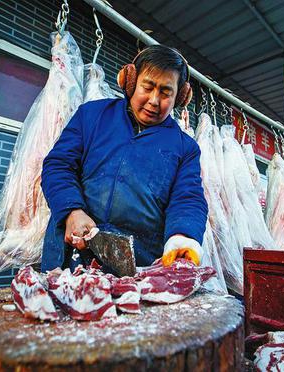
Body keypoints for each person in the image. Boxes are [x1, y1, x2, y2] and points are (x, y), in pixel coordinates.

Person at [40, 45, 208, 273]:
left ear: (180, 97)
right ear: (130, 81)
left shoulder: (186, 148)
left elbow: (187, 198)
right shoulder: (91, 115)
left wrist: (182, 237)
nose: (154, 101)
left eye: (166, 93)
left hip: (138, 268)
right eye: (147, 87)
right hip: (71, 257)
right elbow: (58, 165)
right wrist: (72, 211)